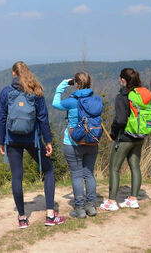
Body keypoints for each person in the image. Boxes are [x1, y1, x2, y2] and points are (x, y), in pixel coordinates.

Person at [0, 61, 66, 229]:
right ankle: (50, 215)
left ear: (14, 73)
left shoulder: (6, 92)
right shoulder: (36, 91)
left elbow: (1, 118)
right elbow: (43, 118)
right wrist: (48, 141)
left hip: (12, 140)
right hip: (32, 139)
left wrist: (1, 141)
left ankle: (22, 219)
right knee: (48, 169)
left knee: (17, 177)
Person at [52, 72, 98, 219]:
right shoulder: (95, 100)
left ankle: (79, 209)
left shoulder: (72, 101)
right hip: (92, 140)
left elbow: (55, 103)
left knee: (77, 175)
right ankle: (90, 206)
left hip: (72, 143)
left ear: (76, 84)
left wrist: (62, 85)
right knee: (89, 174)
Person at [100, 68, 145, 211]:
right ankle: (133, 199)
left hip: (125, 138)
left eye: (120, 78)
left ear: (123, 80)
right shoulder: (140, 95)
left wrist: (113, 132)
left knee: (114, 168)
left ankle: (112, 201)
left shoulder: (122, 97)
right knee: (135, 167)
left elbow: (120, 120)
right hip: (139, 136)